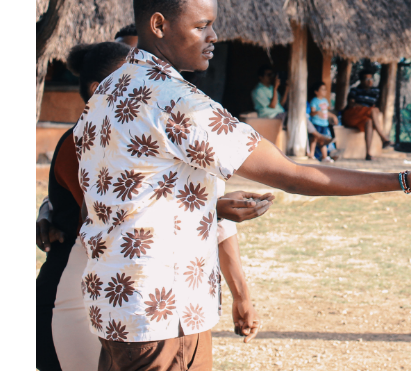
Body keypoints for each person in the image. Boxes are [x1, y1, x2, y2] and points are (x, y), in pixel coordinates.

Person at [76, 0, 411, 370]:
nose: (214, 36)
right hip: (163, 311)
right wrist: (403, 180)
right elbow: (293, 175)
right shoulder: (176, 102)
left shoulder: (108, 91)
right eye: (202, 25)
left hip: (114, 302)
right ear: (160, 25)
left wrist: (208, 208)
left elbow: (123, 196)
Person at [36, 39, 273, 371]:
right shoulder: (89, 139)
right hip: (81, 296)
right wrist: (212, 207)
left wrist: (241, 293)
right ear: (99, 88)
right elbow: (121, 211)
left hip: (150, 301)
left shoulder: (165, 127)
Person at [341, 68, 394, 160]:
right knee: (373, 110)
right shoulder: (355, 90)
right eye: (366, 79)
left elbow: (373, 106)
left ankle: (368, 153)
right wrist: (367, 108)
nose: (369, 82)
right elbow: (351, 105)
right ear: (361, 81)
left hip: (363, 117)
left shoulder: (375, 92)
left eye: (371, 79)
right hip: (351, 116)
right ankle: (383, 137)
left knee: (369, 121)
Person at [308, 82, 336, 162]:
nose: (325, 91)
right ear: (316, 92)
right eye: (322, 89)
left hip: (324, 124)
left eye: (325, 89)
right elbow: (312, 113)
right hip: (316, 123)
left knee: (323, 140)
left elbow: (326, 111)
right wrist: (317, 112)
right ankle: (312, 155)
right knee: (314, 138)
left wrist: (333, 116)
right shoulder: (314, 101)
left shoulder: (325, 101)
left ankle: (324, 157)